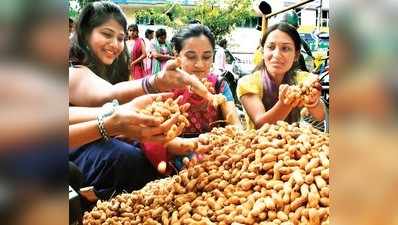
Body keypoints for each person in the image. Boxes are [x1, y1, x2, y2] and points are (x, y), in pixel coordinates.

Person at [68, 1, 212, 200]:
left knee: (148, 155)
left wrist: (173, 141)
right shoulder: (73, 71)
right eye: (107, 34)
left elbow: (116, 112)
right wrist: (155, 81)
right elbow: (109, 95)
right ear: (84, 33)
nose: (115, 44)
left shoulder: (111, 70)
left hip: (99, 137)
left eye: (121, 38)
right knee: (129, 159)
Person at [142, 24, 242, 173]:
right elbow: (159, 138)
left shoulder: (219, 86)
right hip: (176, 161)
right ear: (177, 56)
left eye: (207, 57)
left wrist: (223, 141)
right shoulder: (164, 87)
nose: (200, 64)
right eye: (191, 56)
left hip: (217, 157)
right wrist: (194, 144)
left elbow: (235, 125)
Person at [237, 23, 325, 130]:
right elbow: (260, 124)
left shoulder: (304, 79)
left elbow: (320, 116)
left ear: (296, 55)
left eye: (285, 48)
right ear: (262, 51)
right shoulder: (247, 83)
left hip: (294, 144)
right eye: (271, 47)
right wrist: (285, 103)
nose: (277, 54)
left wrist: (313, 102)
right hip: (258, 144)